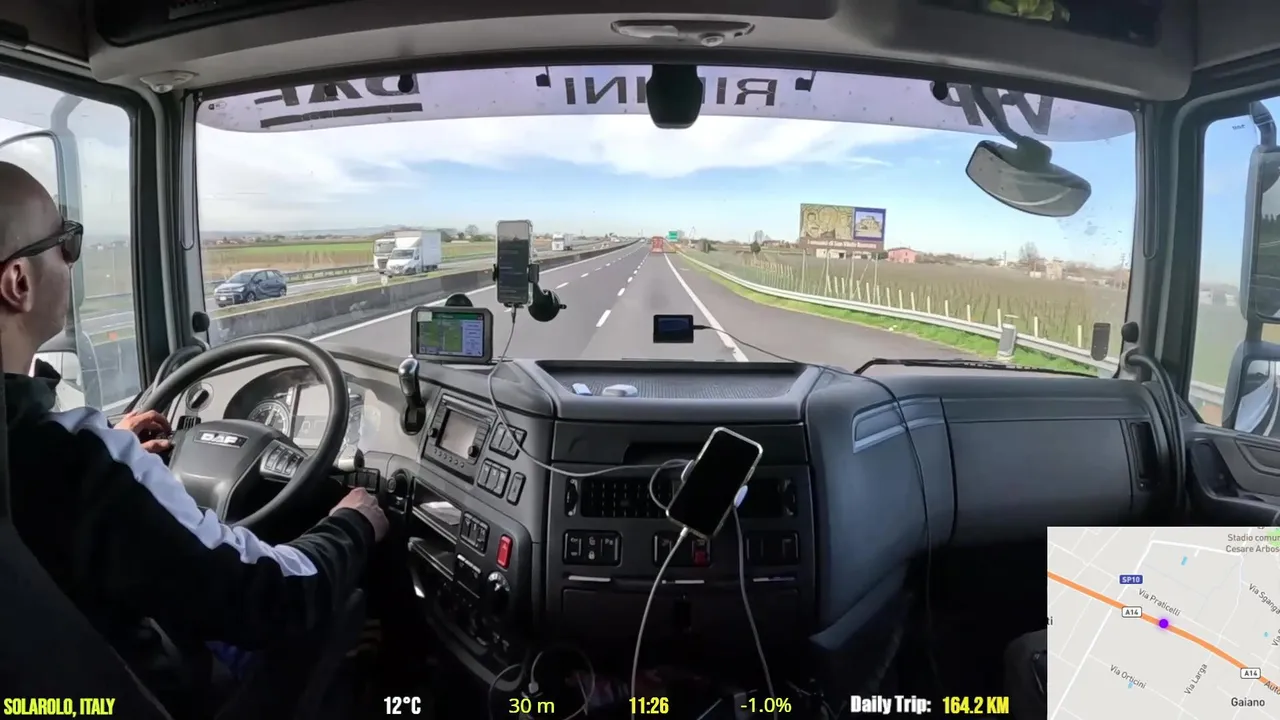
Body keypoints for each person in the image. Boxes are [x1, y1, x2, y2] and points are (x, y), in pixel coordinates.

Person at [0, 161, 390, 716]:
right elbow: (275, 595)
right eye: (67, 242)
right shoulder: (83, 465)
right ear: (18, 283)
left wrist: (112, 448)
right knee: (339, 607)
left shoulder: (56, 455)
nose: (71, 257)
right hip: (148, 695)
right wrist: (353, 522)